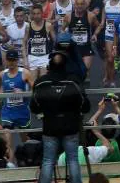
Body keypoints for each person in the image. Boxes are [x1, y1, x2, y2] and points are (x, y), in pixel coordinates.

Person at [30, 48, 90, 183]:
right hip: (71, 127)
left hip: (50, 127)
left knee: (48, 161)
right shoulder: (73, 82)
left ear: (49, 64)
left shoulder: (41, 83)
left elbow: (34, 107)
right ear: (66, 65)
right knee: (73, 159)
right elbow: (85, 106)